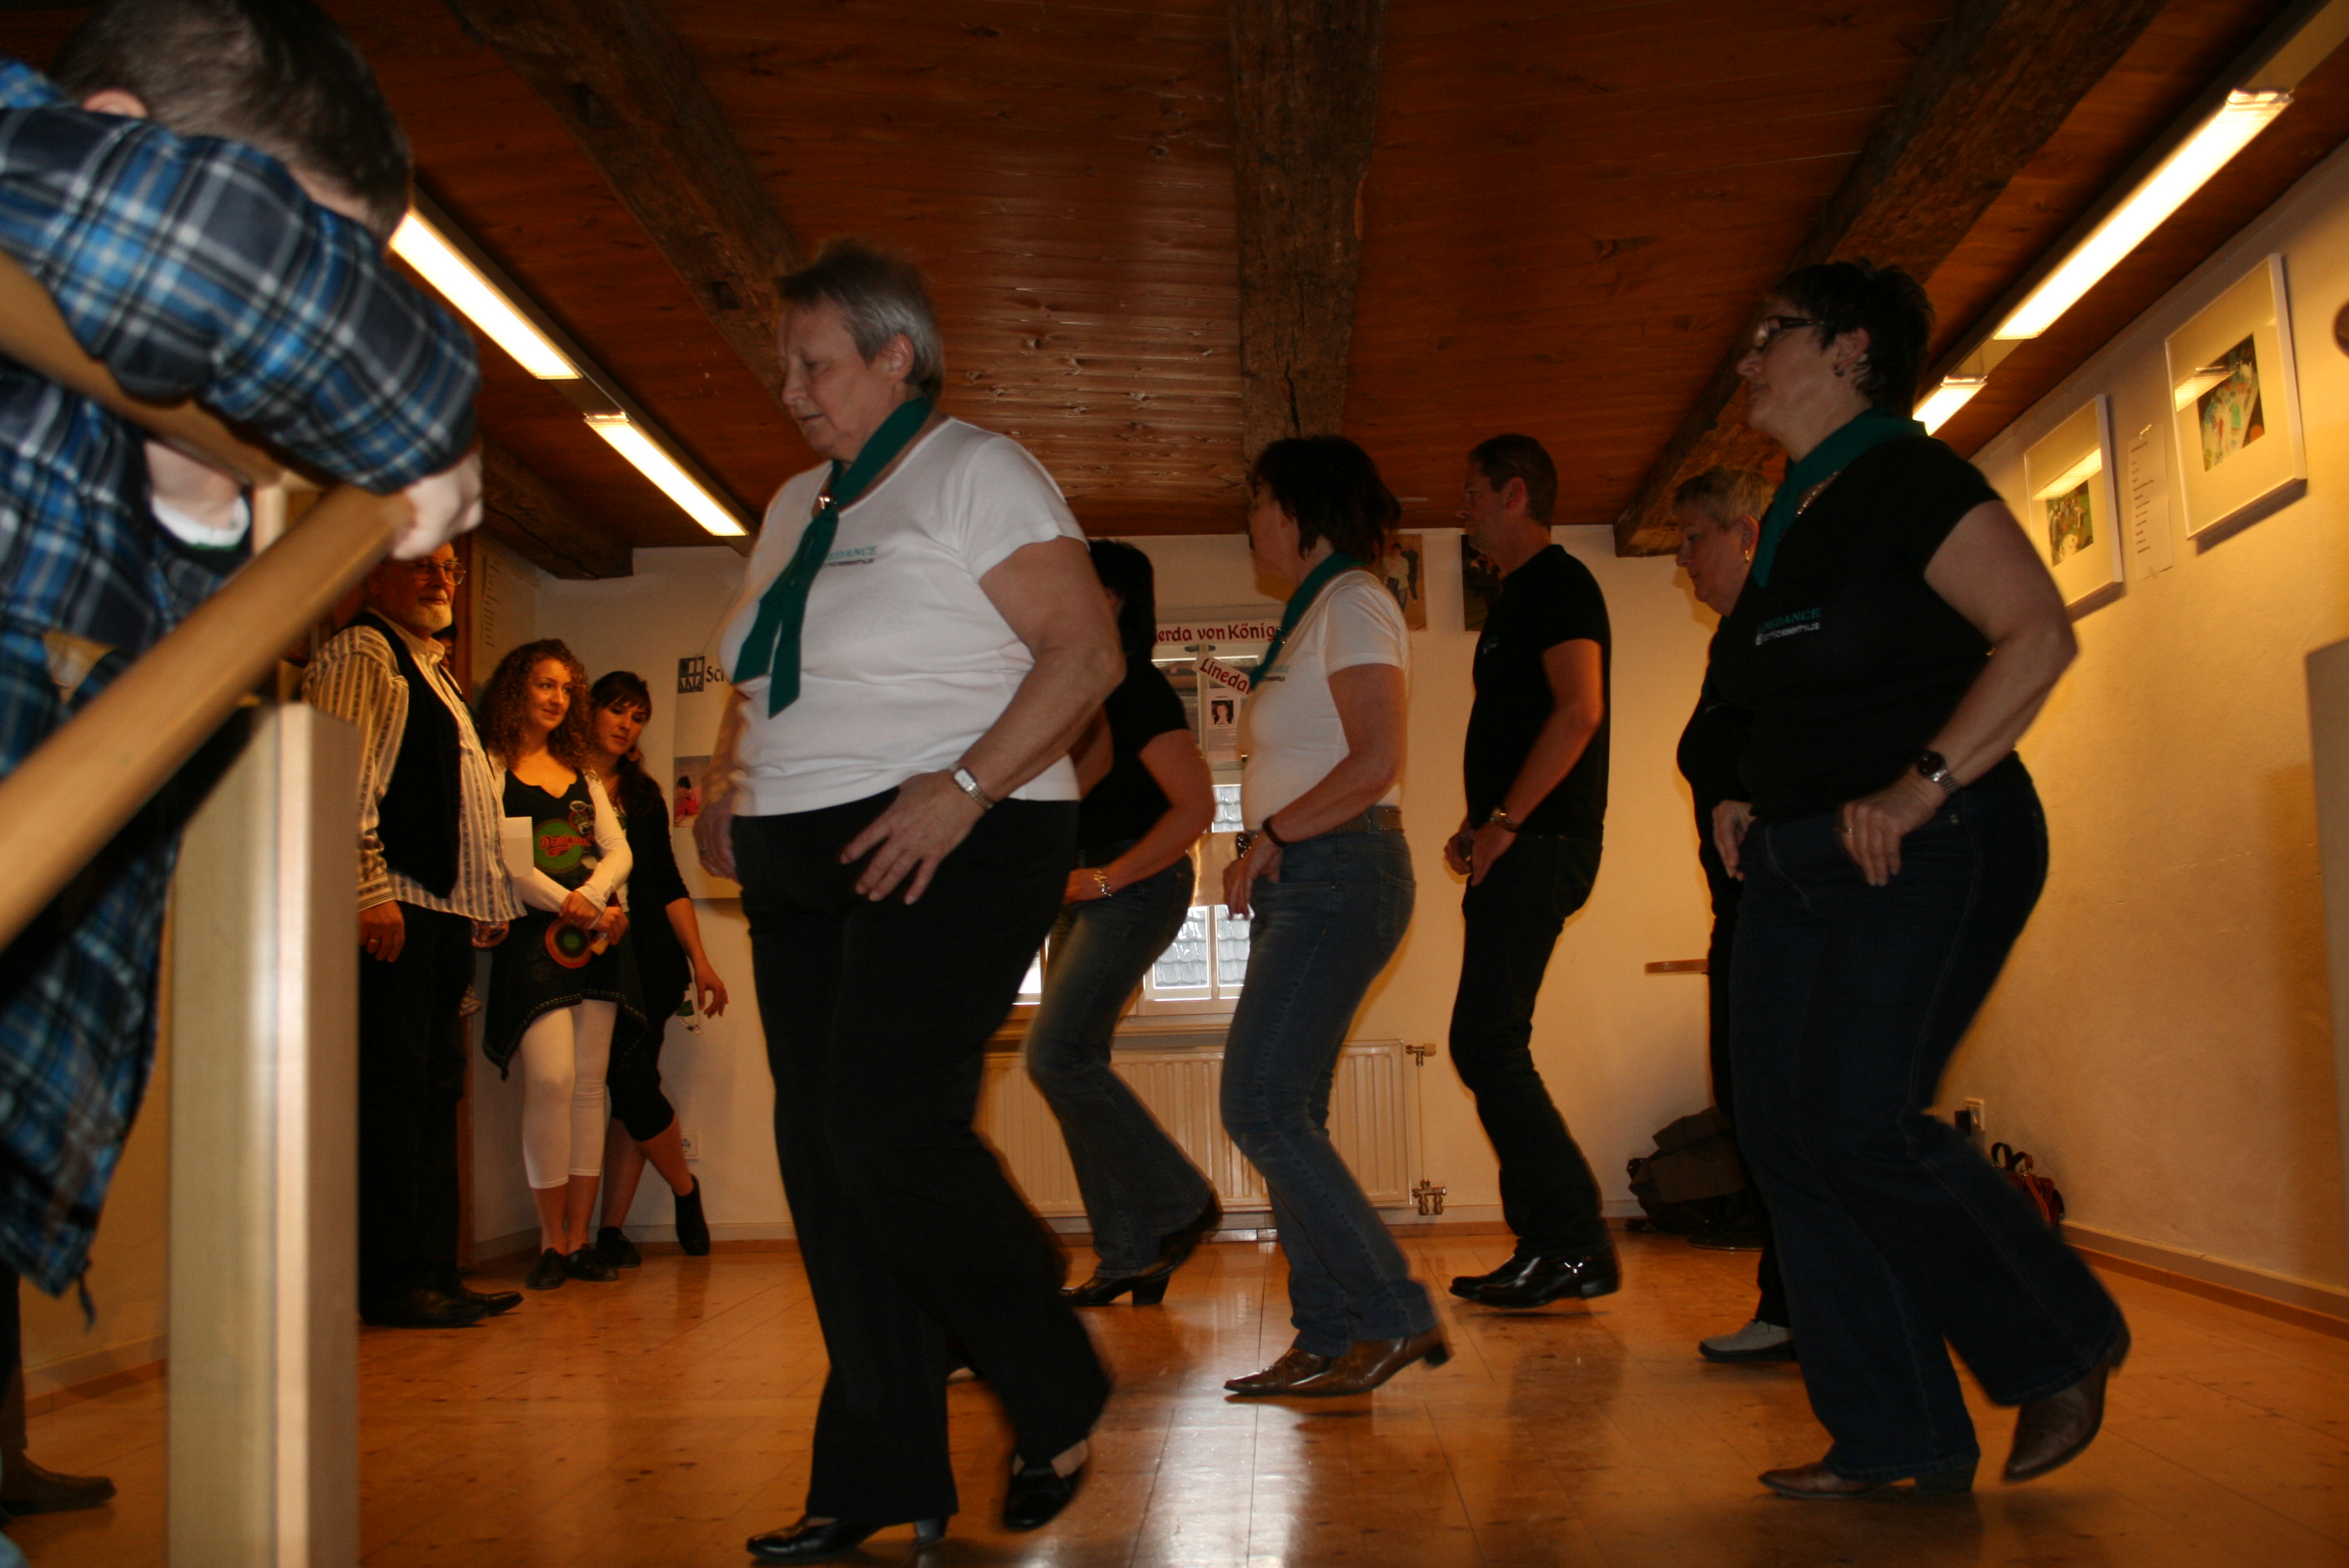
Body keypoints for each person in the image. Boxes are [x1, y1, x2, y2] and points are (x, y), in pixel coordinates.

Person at [0, 0, 481, 1324]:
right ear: (111, 141)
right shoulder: (18, 150)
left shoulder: (70, 410)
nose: (276, 387)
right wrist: (424, 429)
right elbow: (362, 356)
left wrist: (194, 503)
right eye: (316, 252)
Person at [694, 240, 1119, 1560]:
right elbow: (763, 661)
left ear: (897, 356)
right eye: (784, 366)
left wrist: (967, 788)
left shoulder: (976, 472)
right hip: (798, 855)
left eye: (813, 364)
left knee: (883, 1129)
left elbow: (1086, 653)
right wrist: (728, 773)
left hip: (954, 834)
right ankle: (881, 1473)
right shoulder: (794, 505)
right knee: (827, 1165)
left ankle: (1052, 1376)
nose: (791, 390)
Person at [1713, 259, 2124, 1498]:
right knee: (1785, 1141)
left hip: (1927, 842)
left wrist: (1922, 783)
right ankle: (1896, 1436)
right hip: (1793, 862)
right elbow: (1775, 694)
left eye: (1770, 333)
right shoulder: (1795, 516)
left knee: (1859, 1118)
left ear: (1850, 349)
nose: (1747, 358)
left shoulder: (1909, 477)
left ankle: (2059, 1343)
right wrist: (1742, 787)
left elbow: (2037, 633)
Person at [1218, 436, 1437, 1399]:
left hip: (1338, 871)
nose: (1249, 521)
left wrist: (1271, 831)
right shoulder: (1313, 612)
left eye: (1257, 501)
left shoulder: (1351, 600)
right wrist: (1271, 845)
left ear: (1300, 507)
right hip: (1308, 876)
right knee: (1286, 1109)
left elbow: (1376, 758)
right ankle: (1325, 1333)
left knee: (1256, 1103)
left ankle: (1392, 1312)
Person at [302, 546, 522, 1328]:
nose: (440, 580)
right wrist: (367, 890)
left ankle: (434, 1272)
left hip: (439, 910)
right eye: (421, 565)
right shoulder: (364, 653)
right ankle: (392, 1282)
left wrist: (484, 895)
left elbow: (458, 794)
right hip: (391, 907)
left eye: (450, 568)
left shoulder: (433, 667)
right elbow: (339, 778)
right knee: (392, 1098)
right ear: (376, 576)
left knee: (434, 1093)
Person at [1439, 434, 1621, 1309]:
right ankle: (1552, 1245)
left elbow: (1579, 710)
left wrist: (1508, 821)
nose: (1462, 507)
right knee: (1489, 1042)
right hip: (1518, 839)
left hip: (1542, 842)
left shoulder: (1559, 582)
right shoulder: (1516, 596)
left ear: (1514, 494)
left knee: (1486, 1042)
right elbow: (1525, 723)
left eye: (1472, 492)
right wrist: (1480, 823)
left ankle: (1572, 1244)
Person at [1027, 540, 1220, 1307]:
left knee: (1057, 1055)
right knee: (1074, 1063)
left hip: (1132, 885)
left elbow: (1197, 807)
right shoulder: (1093, 687)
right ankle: (1129, 1255)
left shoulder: (1138, 685)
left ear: (1111, 600)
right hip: (1086, 887)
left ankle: (1181, 1204)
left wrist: (1107, 878)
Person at [1667, 467, 1794, 1364]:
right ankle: (1791, 1302)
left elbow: (1819, 747)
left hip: (1784, 907)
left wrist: (1761, 801)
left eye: (1693, 539)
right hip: (1742, 911)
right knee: (1749, 1107)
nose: (1682, 559)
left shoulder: (1783, 630)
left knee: (1779, 1113)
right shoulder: (1733, 646)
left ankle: (1805, 1306)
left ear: (1745, 534)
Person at [475, 641, 641, 1293]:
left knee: (589, 1086)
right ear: (517, 687)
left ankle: (579, 1240)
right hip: (531, 941)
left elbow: (618, 849)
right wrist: (578, 905)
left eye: (568, 689)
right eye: (546, 684)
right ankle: (549, 1240)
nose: (557, 698)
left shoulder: (582, 770)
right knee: (551, 1079)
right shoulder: (491, 765)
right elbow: (507, 862)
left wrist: (595, 900)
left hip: (595, 941)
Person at [582, 671, 728, 1266]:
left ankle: (613, 1231)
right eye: (617, 710)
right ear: (592, 710)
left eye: (638, 716)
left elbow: (667, 882)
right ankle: (684, 1190)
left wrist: (702, 961)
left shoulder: (643, 796)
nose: (626, 724)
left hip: (652, 965)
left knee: (632, 1088)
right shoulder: (562, 784)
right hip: (590, 962)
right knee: (627, 1087)